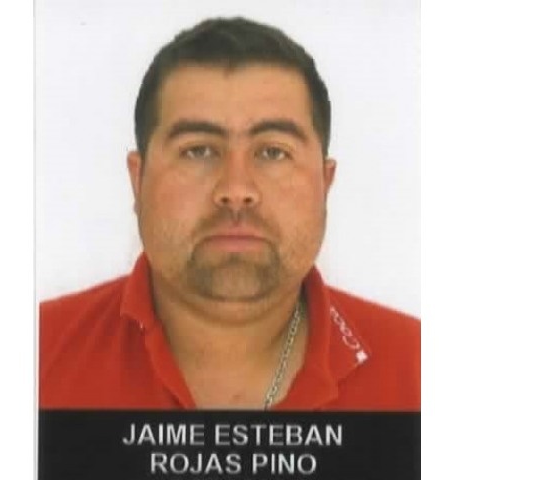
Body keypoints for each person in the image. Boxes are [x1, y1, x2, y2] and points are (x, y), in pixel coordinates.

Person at [39, 17, 420, 411]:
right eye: (198, 151)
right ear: (138, 180)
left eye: (273, 152)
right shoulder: (39, 351)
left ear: (325, 184)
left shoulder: (417, 369)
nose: (236, 190)